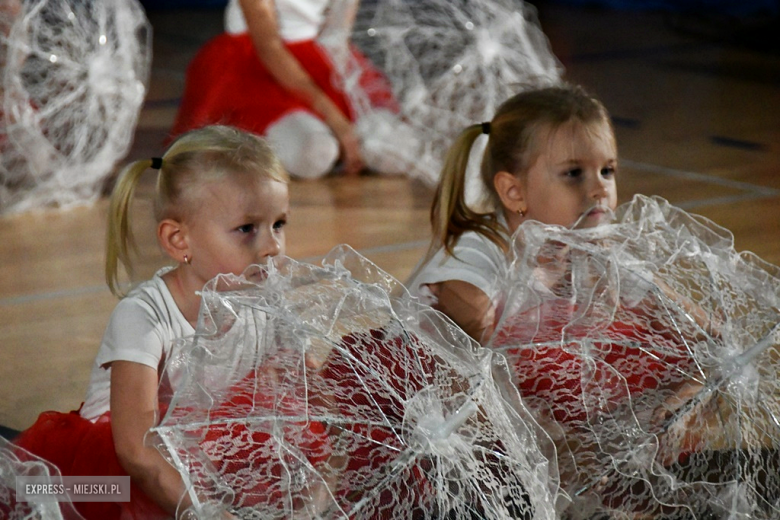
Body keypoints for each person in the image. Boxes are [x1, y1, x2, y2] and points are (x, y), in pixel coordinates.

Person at [14, 125, 290, 519]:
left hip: (194, 451)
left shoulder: (264, 307)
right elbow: (135, 452)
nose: (272, 246)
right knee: (39, 490)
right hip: (114, 470)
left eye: (279, 224)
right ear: (179, 241)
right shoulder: (143, 316)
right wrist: (209, 513)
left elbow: (299, 397)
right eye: (247, 229)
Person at [169, 0, 400, 180]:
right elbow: (269, 48)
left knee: (394, 153)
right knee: (317, 154)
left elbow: (337, 38)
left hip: (314, 61)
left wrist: (352, 108)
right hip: (252, 69)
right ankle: (246, 135)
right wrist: (337, 121)